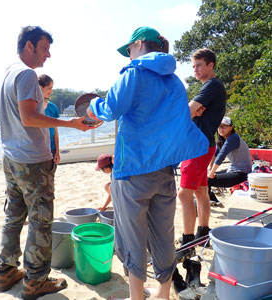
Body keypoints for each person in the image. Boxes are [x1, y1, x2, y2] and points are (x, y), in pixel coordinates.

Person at [87, 26, 209, 300]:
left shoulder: (134, 74)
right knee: (163, 236)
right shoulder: (175, 82)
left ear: (140, 44)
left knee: (132, 238)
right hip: (165, 172)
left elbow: (110, 109)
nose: (128, 55)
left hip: (132, 172)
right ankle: (163, 294)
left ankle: (136, 297)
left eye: (129, 49)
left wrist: (93, 105)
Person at [0, 26, 90, 300]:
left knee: (13, 217)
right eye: (44, 48)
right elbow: (28, 118)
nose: (48, 55)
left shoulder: (6, 73)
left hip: (10, 159)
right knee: (40, 221)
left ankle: (6, 272)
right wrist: (68, 123)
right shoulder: (26, 74)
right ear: (29, 46)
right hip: (33, 162)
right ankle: (35, 280)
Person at [177, 48, 226, 249]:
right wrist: (195, 113)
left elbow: (185, 113)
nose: (195, 70)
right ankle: (203, 233)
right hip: (206, 145)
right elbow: (192, 112)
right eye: (193, 66)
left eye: (199, 65)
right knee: (200, 191)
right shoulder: (212, 87)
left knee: (183, 194)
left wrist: (193, 113)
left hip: (197, 147)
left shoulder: (211, 85)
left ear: (210, 65)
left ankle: (188, 239)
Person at [208, 116, 252, 206]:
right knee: (204, 177)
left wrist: (211, 173)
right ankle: (212, 199)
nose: (221, 129)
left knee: (206, 180)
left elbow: (221, 156)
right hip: (233, 170)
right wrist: (210, 168)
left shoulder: (233, 138)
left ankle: (210, 200)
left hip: (242, 174)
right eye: (219, 126)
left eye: (224, 126)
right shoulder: (222, 140)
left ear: (231, 127)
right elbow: (215, 155)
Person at [38, 74, 60, 164]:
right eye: (49, 88)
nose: (51, 91)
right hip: (37, 152)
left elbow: (55, 131)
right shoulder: (32, 108)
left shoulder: (53, 107)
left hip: (52, 150)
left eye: (52, 88)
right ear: (40, 88)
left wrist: (57, 152)